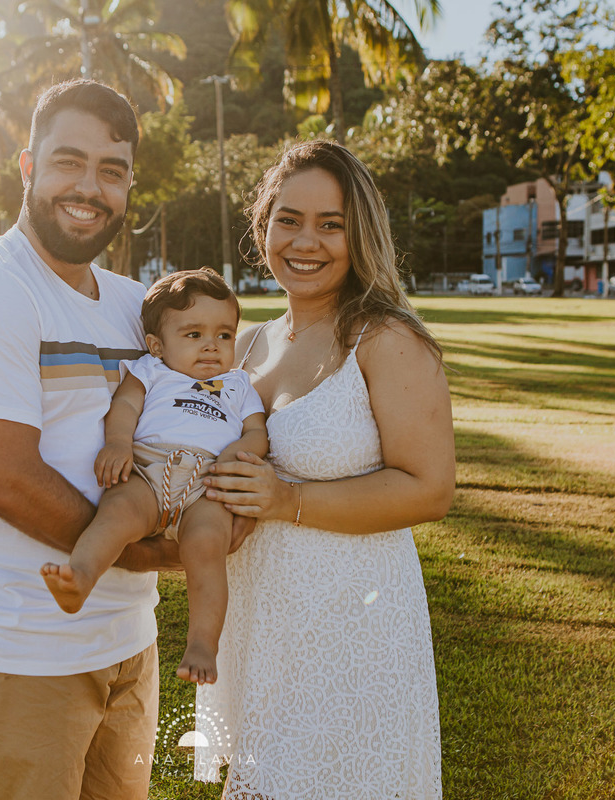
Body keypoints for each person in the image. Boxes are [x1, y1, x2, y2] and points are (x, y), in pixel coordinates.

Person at [0, 80, 173, 800]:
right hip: (9, 647)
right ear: (27, 167)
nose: (89, 188)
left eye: (111, 171)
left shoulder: (131, 305)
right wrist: (149, 548)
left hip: (124, 640)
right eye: (68, 162)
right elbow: (7, 480)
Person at [194, 140, 455, 799]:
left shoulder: (387, 340)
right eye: (289, 219)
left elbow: (430, 489)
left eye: (330, 224)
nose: (305, 241)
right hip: (263, 629)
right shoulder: (247, 342)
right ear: (263, 226)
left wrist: (287, 500)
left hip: (351, 638)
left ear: (358, 234)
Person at [41, 268, 268, 685]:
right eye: (193, 335)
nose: (211, 347)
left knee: (207, 549)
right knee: (118, 512)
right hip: (147, 468)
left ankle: (202, 642)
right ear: (156, 345)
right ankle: (82, 574)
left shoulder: (237, 384)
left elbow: (257, 432)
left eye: (224, 335)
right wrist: (118, 445)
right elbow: (124, 408)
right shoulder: (149, 370)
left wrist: (241, 450)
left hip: (206, 483)